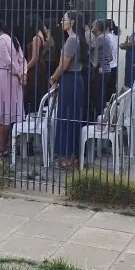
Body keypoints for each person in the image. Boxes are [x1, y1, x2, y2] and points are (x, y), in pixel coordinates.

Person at [49, 10, 87, 169]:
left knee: (67, 117)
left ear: (71, 22)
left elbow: (63, 65)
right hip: (75, 78)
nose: (61, 21)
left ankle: (69, 157)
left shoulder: (72, 40)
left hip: (70, 79)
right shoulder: (78, 39)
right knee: (71, 117)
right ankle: (72, 155)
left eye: (64, 19)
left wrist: (53, 77)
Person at [0, 22, 25, 158]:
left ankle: (2, 148)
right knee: (12, 112)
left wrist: (18, 73)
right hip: (16, 80)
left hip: (6, 78)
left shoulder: (1, 40)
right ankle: (9, 146)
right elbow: (22, 59)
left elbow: (6, 61)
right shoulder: (13, 39)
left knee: (3, 115)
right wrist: (23, 73)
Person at [24, 19, 50, 115]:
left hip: (34, 69)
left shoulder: (36, 38)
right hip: (41, 67)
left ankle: (31, 114)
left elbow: (34, 59)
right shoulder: (43, 37)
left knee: (31, 93)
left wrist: (25, 69)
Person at [90, 20, 113, 118]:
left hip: (101, 70)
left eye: (93, 26)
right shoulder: (106, 37)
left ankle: (100, 116)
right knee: (101, 93)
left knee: (99, 95)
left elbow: (90, 49)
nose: (92, 27)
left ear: (98, 28)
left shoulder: (100, 39)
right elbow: (110, 57)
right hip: (106, 69)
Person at [106, 19, 119, 101]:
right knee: (112, 88)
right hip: (114, 64)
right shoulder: (114, 36)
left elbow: (108, 52)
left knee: (107, 89)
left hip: (109, 65)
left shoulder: (107, 37)